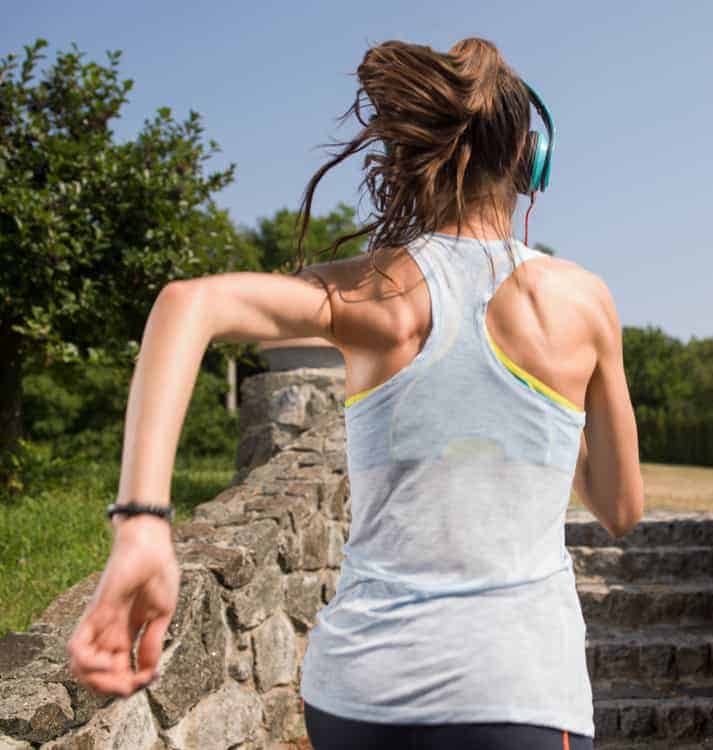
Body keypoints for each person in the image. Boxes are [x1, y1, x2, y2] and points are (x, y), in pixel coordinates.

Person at [66, 37, 643, 749]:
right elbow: (619, 507)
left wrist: (144, 525)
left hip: (357, 696)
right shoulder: (583, 302)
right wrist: (556, 416)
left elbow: (188, 305)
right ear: (530, 162)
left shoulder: (373, 293)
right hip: (515, 694)